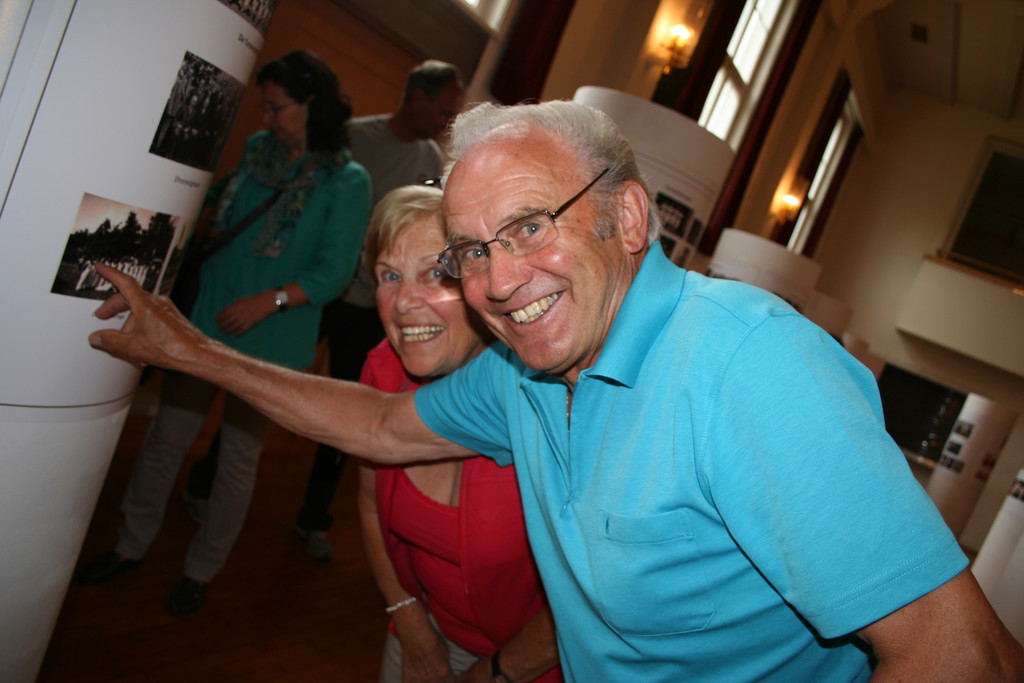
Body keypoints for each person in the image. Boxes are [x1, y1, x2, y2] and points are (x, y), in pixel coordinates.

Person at [88, 99, 1024, 680]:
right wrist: (197, 353)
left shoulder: (745, 362)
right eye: (471, 251)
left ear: (628, 216)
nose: (498, 281)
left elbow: (964, 655)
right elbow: (377, 423)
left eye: (531, 226)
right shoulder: (530, 369)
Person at [76, 50, 371, 616]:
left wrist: (269, 301)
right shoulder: (258, 151)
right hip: (205, 323)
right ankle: (130, 543)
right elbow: (214, 212)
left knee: (237, 460)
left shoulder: (347, 180)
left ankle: (201, 570)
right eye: (264, 106)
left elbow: (335, 272)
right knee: (166, 439)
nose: (266, 118)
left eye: (276, 107)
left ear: (312, 104)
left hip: (272, 341)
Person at [356, 184, 560, 682]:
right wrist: (408, 620)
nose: (404, 302)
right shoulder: (383, 370)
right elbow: (369, 504)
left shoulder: (547, 400)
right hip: (418, 629)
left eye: (434, 273)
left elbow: (591, 596)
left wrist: (495, 673)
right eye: (389, 276)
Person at [293, 59, 465, 560]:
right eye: (443, 110)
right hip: (324, 293)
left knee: (351, 410)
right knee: (282, 374)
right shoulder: (356, 138)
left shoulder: (432, 159)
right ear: (417, 97)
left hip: (376, 307)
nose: (446, 122)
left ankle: (313, 517)